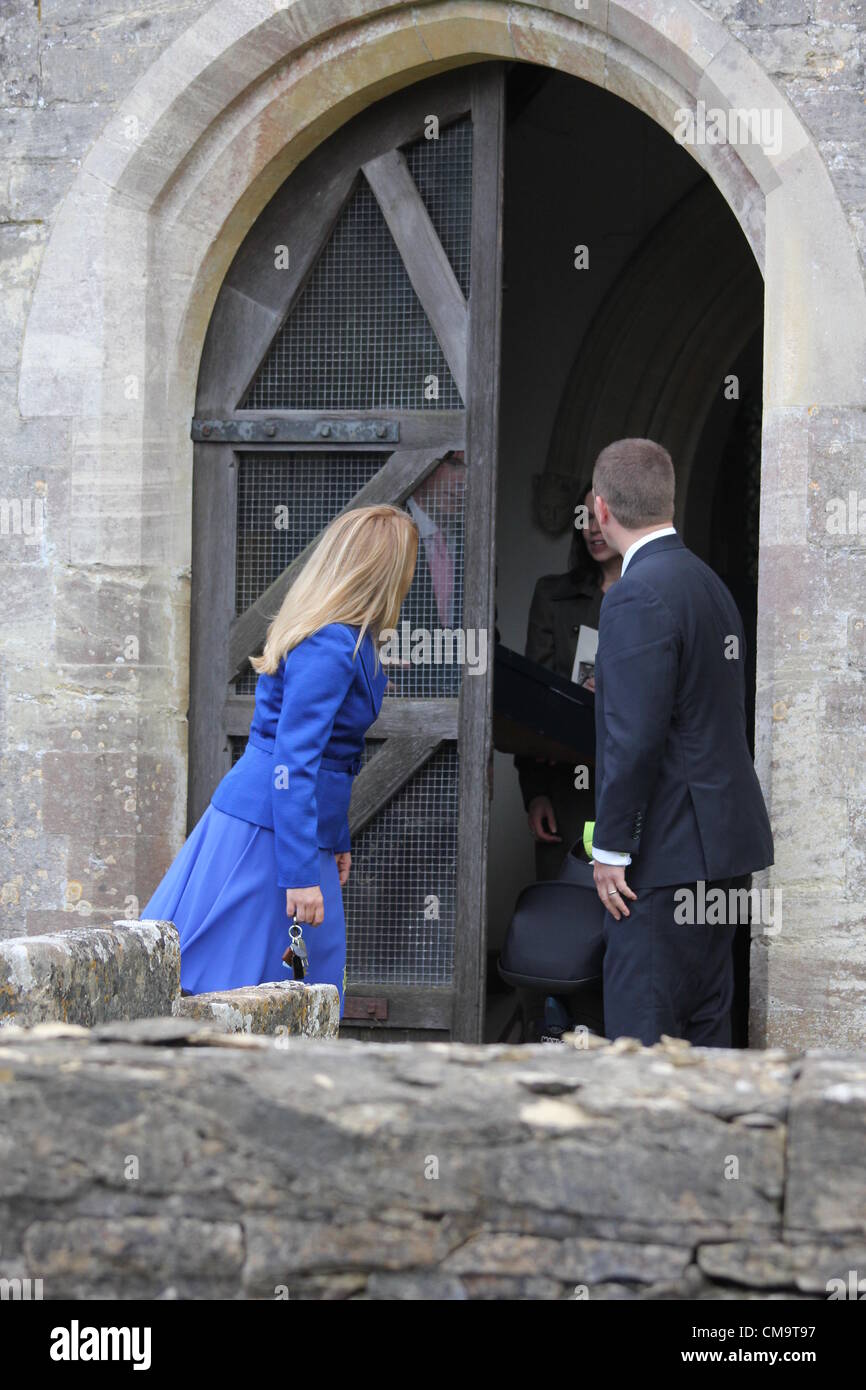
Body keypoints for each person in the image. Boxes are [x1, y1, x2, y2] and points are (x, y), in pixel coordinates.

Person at [143, 504, 419, 1015]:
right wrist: (298, 875)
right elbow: (294, 763)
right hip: (266, 832)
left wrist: (335, 839)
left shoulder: (346, 638)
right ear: (384, 571)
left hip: (296, 831)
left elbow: (334, 758)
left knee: (301, 987)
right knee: (229, 986)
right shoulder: (330, 644)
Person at [589, 438, 774, 1046]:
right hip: (717, 859)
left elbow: (633, 737)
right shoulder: (710, 585)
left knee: (643, 1046)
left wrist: (612, 848)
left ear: (601, 508)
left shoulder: (636, 593)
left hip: (662, 862)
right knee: (705, 1040)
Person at [513, 483, 621, 1040]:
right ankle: (550, 1042)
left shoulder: (653, 592)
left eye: (605, 516)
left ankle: (619, 1047)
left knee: (622, 928)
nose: (594, 528)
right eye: (586, 517)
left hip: (633, 791)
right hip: (565, 793)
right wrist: (533, 792)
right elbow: (532, 709)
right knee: (562, 932)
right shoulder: (552, 595)